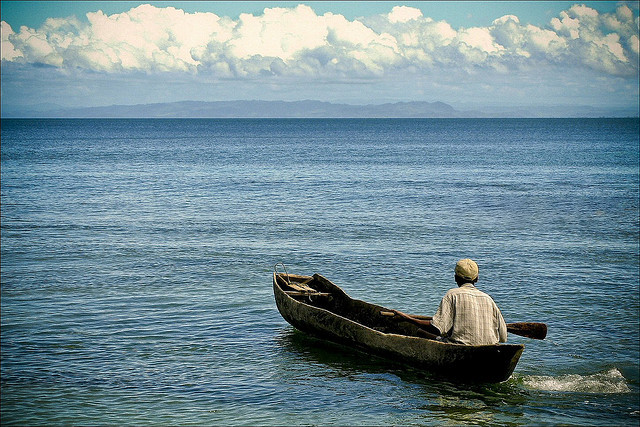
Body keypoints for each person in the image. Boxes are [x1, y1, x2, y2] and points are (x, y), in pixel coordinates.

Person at [395, 259, 507, 345]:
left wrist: (408, 319)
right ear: (476, 278)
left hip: (461, 347)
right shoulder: (488, 299)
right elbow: (503, 336)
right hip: (489, 348)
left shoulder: (452, 295)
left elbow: (437, 328)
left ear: (456, 278)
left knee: (420, 332)